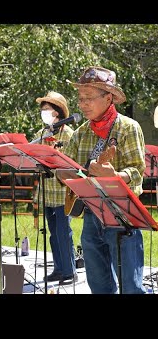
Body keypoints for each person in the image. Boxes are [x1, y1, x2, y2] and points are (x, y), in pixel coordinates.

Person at [61, 66, 146, 294]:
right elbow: (67, 167)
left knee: (131, 287)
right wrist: (62, 173)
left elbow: (138, 170)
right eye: (80, 98)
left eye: (89, 98)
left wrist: (116, 177)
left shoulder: (128, 127)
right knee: (98, 286)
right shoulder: (81, 132)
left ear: (108, 98)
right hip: (91, 213)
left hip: (122, 215)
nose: (83, 104)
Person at [33, 91, 77, 283]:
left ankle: (70, 271)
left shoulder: (69, 135)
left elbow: (71, 164)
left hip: (62, 192)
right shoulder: (41, 134)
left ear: (58, 112)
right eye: (43, 110)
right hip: (46, 191)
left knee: (63, 232)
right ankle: (58, 268)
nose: (44, 113)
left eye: (48, 109)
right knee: (52, 233)